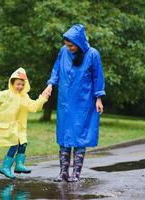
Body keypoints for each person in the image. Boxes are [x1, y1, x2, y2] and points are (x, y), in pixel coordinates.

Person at [43, 24, 105, 182]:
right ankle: (63, 172)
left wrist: (98, 98)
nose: (68, 47)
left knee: (79, 135)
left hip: (84, 102)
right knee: (64, 135)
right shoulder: (63, 51)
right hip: (64, 102)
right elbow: (56, 69)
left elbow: (98, 77)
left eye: (71, 45)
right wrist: (50, 85)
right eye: (66, 45)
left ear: (79, 42)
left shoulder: (92, 54)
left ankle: (76, 173)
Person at [0, 67, 49, 179]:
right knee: (14, 144)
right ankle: (5, 167)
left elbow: (33, 106)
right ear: (12, 83)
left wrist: (43, 98)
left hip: (20, 127)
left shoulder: (24, 96)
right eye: (18, 84)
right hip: (8, 124)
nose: (20, 87)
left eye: (22, 85)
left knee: (23, 143)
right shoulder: (5, 94)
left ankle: (19, 165)